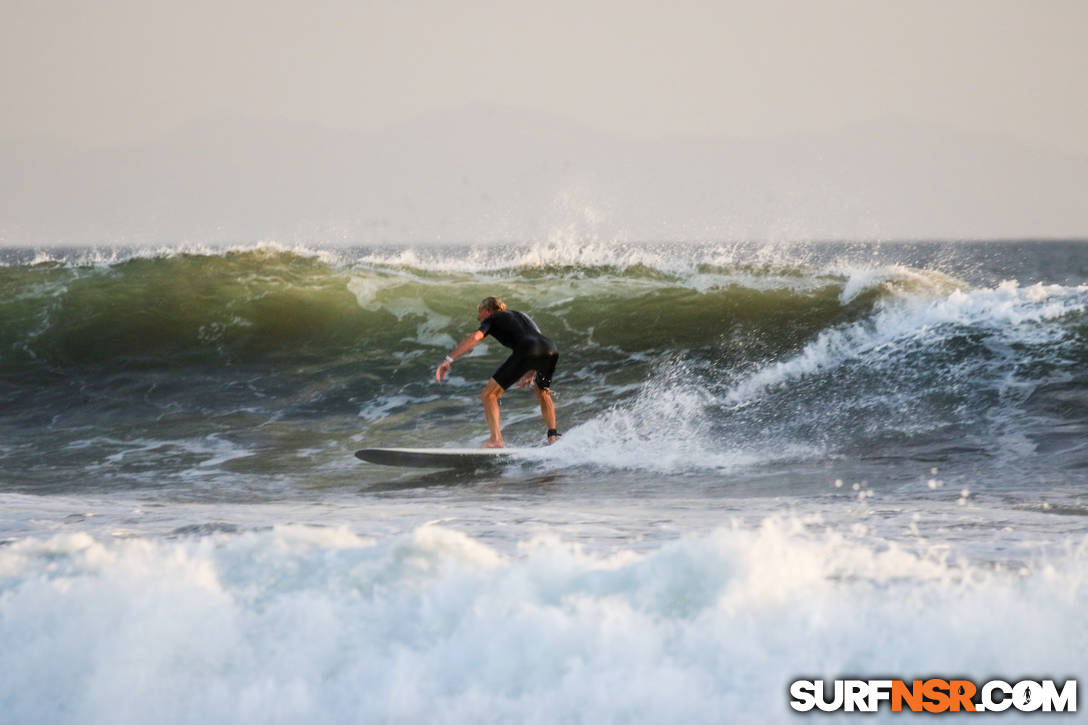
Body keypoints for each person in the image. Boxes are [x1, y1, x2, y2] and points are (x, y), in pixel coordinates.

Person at [435, 296, 559, 448]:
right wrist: (532, 369)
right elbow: (537, 338)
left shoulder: (493, 318)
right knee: (543, 392)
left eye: (479, 312)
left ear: (488, 310)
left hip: (528, 349)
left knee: (489, 395)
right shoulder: (520, 315)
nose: (478, 317)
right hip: (550, 349)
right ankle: (553, 437)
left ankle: (496, 440)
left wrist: (449, 359)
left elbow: (475, 337)